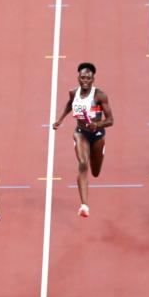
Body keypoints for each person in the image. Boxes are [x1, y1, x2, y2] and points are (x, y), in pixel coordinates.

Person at [52, 62, 114, 217]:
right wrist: (60, 120)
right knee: (82, 164)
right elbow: (70, 105)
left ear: (93, 79)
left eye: (88, 77)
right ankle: (84, 205)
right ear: (78, 77)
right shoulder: (73, 93)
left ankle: (100, 152)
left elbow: (111, 120)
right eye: (82, 77)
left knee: (95, 172)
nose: (85, 80)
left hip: (98, 135)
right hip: (81, 133)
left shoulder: (100, 95)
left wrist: (97, 124)